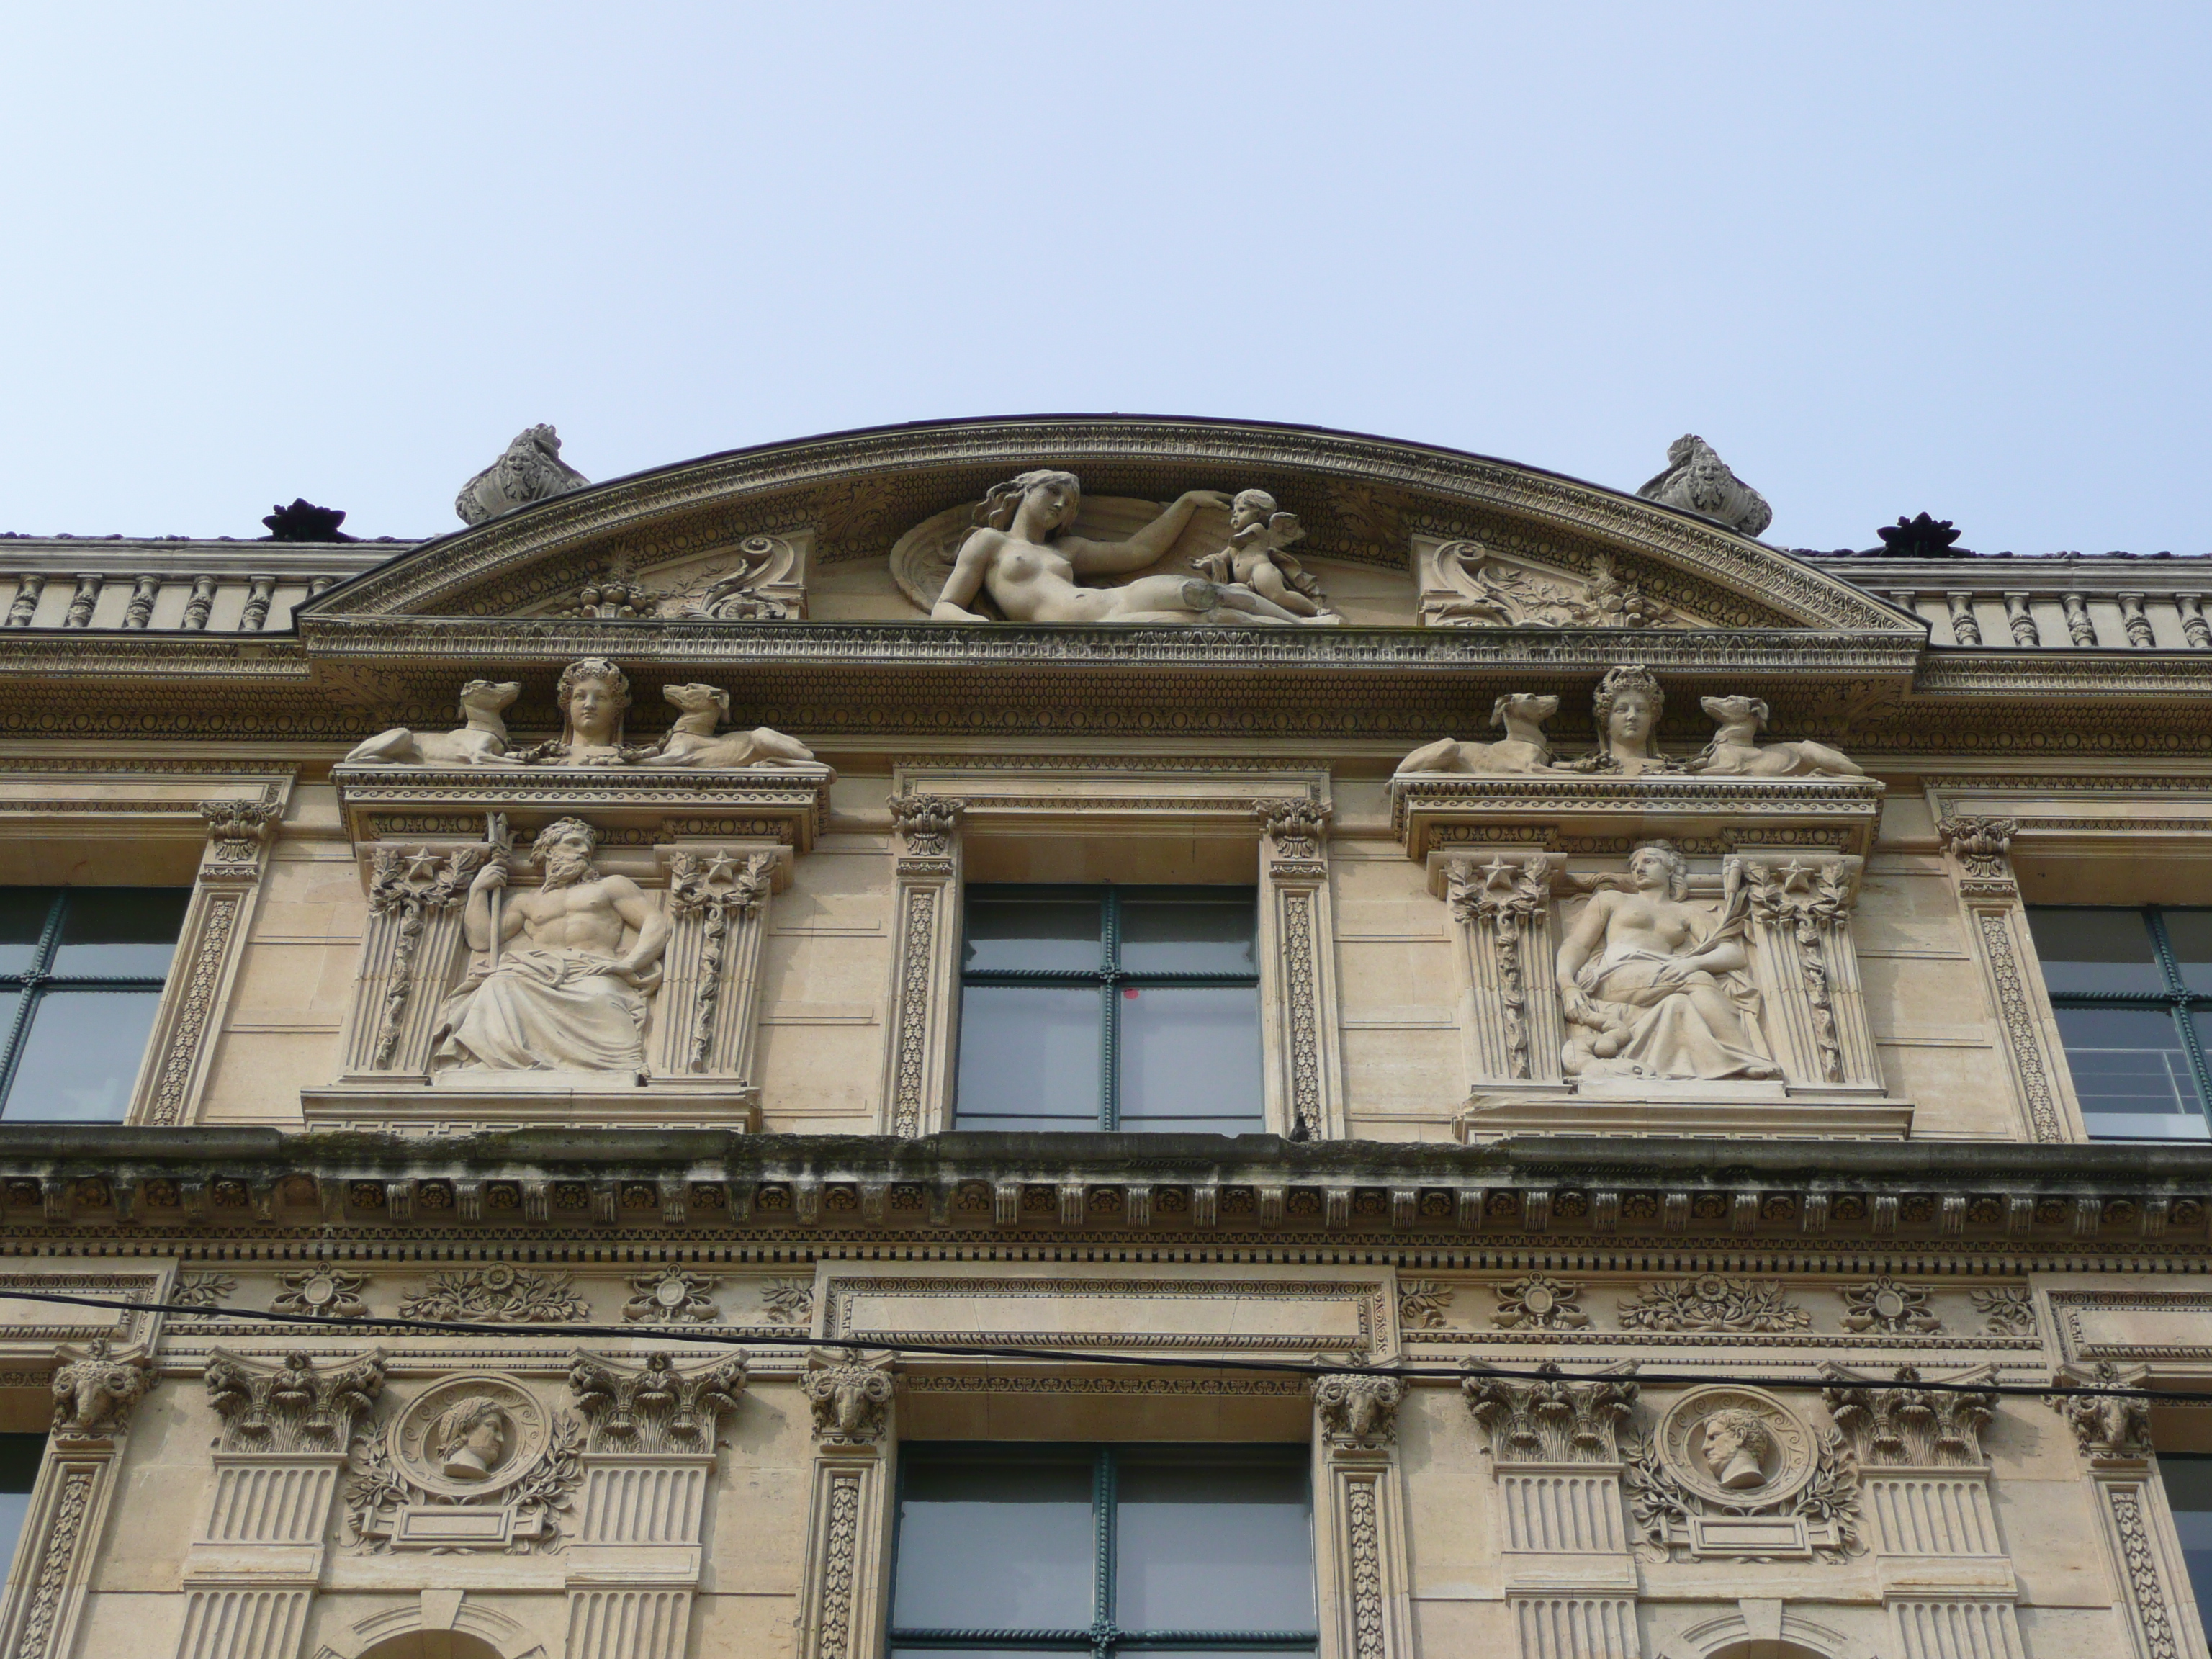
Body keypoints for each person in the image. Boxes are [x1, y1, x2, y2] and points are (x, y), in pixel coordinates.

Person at [431, 817, 670, 1074]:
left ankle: (622, 1066)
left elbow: (656, 921)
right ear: (549, 850)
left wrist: (629, 963)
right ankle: (506, 1063)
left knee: (602, 995)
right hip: (538, 972)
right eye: (574, 844)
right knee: (497, 985)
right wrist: (479, 889)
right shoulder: (525, 902)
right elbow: (480, 940)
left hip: (591, 969)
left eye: (587, 847)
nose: (584, 851)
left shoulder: (610, 887)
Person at [930, 470, 1326, 625]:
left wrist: (1186, 500)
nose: (1059, 506)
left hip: (1118, 601)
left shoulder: (1067, 549)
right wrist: (978, 628)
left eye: (1068, 504)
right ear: (1025, 489)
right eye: (1052, 493)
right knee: (1214, 620)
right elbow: (944, 607)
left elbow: (1140, 552)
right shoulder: (989, 541)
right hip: (1096, 630)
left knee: (1209, 593)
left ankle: (1305, 626)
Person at [1554, 840, 1779, 1081]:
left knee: (1681, 999)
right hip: (1617, 975)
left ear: (1670, 869)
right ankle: (1743, 1055)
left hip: (1664, 973)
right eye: (1634, 866)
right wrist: (1567, 984)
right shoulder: (1613, 900)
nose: (1639, 869)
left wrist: (1692, 962)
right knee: (1697, 980)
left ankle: (1722, 1060)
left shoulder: (1688, 912)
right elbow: (1577, 944)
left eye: (1649, 861)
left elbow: (1733, 954)